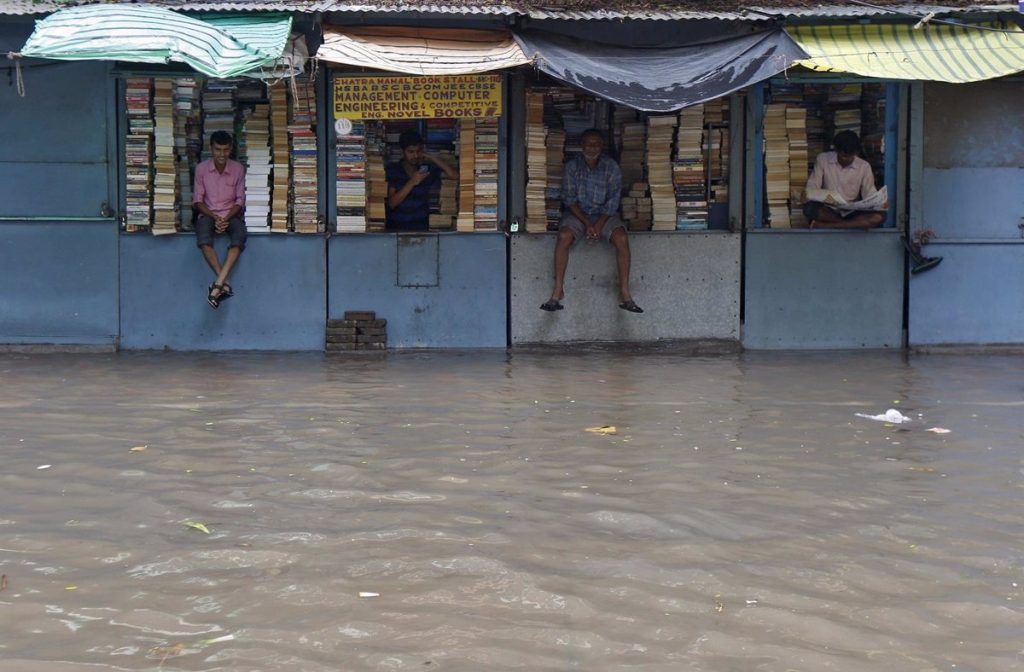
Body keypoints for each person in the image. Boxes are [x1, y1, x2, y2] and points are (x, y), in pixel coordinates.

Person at [541, 128, 642, 313]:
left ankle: (624, 293)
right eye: (588, 143)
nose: (592, 147)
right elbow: (569, 200)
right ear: (581, 146)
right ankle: (557, 291)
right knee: (564, 236)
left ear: (601, 146)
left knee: (621, 239)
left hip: (605, 215)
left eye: (596, 144)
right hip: (578, 215)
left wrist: (598, 226)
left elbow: (612, 201)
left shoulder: (611, 167)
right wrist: (588, 224)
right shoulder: (572, 167)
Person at [193, 130, 246, 308]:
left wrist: (225, 218)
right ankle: (224, 283)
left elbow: (239, 201)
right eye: (218, 150)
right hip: (208, 214)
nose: (221, 154)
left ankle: (218, 285)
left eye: (225, 150)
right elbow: (198, 201)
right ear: (211, 149)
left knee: (239, 238)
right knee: (204, 241)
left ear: (230, 149)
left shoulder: (238, 169)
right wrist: (215, 217)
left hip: (231, 215)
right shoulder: (201, 169)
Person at [803, 130, 886, 230]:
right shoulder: (823, 159)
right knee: (809, 208)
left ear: (856, 153)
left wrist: (879, 203)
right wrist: (809, 194)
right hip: (829, 210)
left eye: (850, 156)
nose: (846, 159)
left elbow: (869, 194)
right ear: (836, 150)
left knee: (879, 216)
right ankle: (852, 225)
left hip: (852, 211)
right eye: (843, 156)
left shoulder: (864, 166)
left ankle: (829, 225)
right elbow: (813, 185)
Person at [385, 130, 457, 232]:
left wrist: (430, 157)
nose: (415, 156)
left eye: (418, 151)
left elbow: (454, 175)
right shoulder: (393, 170)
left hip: (422, 227)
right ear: (402, 151)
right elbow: (391, 203)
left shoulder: (426, 169)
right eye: (410, 152)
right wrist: (412, 182)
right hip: (396, 227)